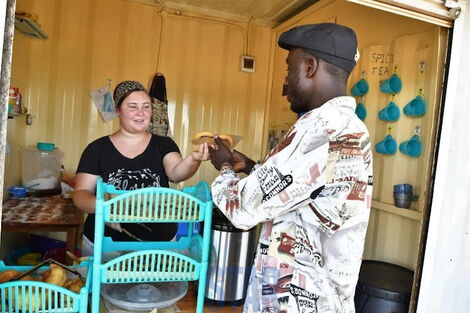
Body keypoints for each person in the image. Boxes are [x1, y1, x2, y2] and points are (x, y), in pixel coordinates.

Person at [209, 23, 373, 313]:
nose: (285, 82)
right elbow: (303, 191)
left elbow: (243, 210)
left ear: (310, 66)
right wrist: (250, 166)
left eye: (289, 69)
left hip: (301, 301)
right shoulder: (348, 126)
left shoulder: (323, 126)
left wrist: (223, 166)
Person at [73, 80, 209, 255]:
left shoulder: (163, 144)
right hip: (105, 246)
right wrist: (106, 207)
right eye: (132, 107)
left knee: (158, 284)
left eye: (146, 107)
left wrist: (193, 159)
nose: (141, 113)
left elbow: (176, 173)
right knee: (104, 283)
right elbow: (80, 194)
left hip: (160, 246)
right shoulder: (97, 149)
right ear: (118, 111)